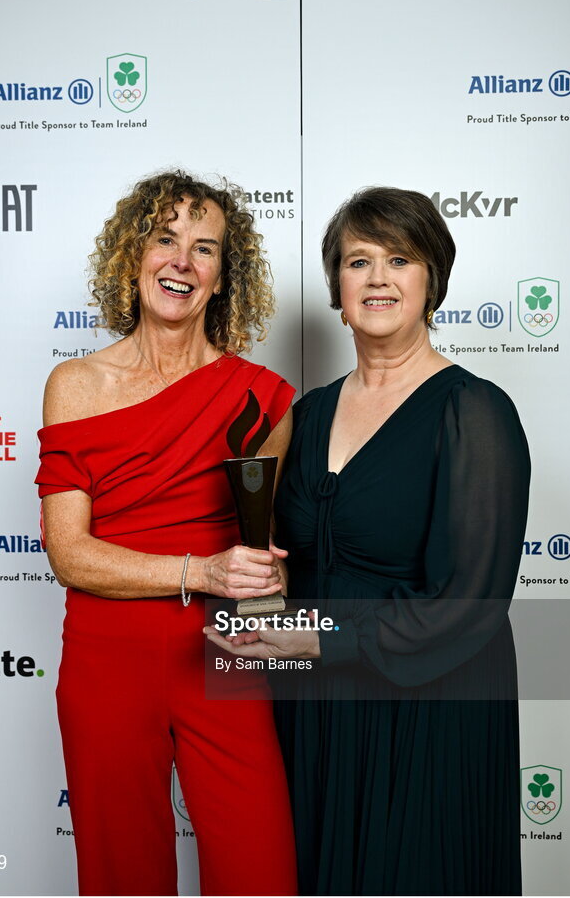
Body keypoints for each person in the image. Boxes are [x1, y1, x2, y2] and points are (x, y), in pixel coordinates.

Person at [205, 186, 531, 895]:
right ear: (336, 288)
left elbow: (470, 602)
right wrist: (261, 599)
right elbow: (288, 558)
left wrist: (317, 637)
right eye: (358, 261)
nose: (377, 277)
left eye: (399, 259)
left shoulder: (473, 410)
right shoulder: (307, 413)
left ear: (431, 280)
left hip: (429, 707)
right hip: (316, 707)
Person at [36, 170, 298, 897]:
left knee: (261, 872)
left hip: (225, 655)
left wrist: (264, 588)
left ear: (222, 277)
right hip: (106, 658)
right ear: (135, 257)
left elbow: (261, 559)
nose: (181, 259)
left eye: (203, 247)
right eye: (165, 238)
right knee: (123, 876)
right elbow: (68, 550)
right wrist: (200, 572)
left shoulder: (265, 397)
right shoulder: (74, 385)